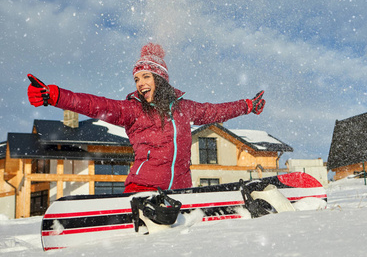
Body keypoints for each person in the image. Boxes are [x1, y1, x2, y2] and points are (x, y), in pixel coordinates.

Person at [27, 42, 266, 193]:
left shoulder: (184, 109)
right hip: (143, 191)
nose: (140, 84)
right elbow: (94, 104)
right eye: (137, 79)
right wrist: (54, 96)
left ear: (159, 79)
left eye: (146, 77)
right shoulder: (133, 110)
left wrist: (248, 105)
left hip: (181, 191)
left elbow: (216, 111)